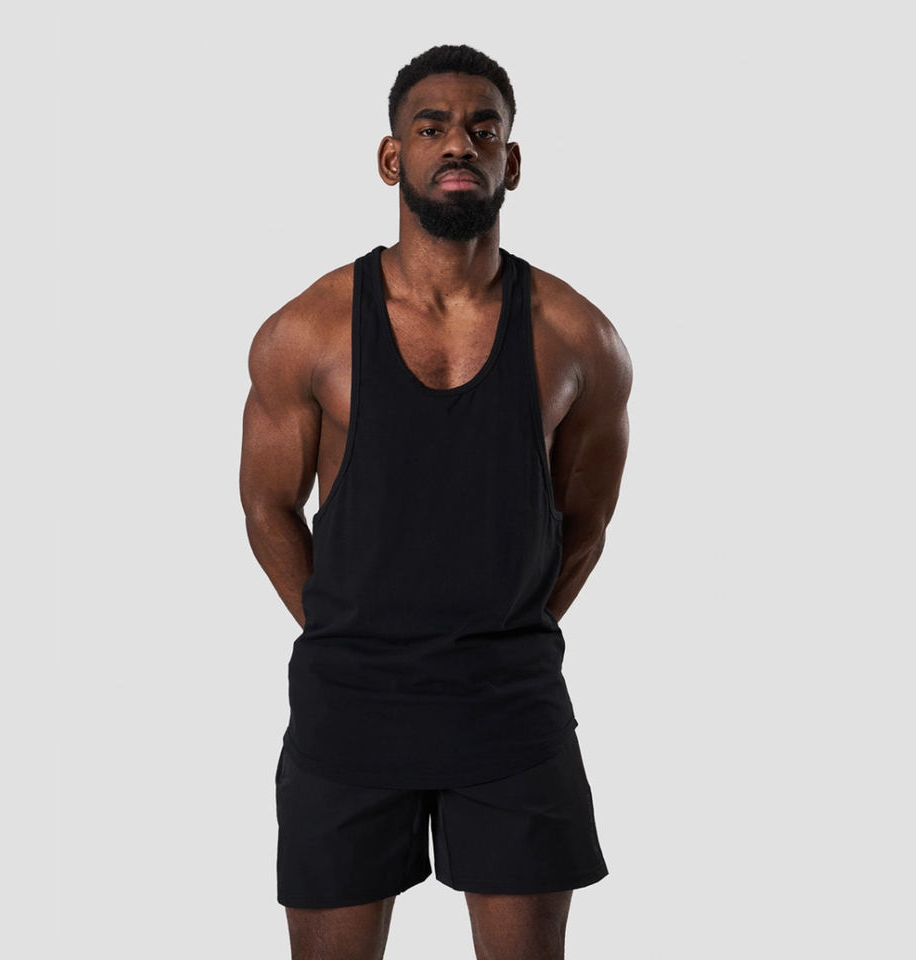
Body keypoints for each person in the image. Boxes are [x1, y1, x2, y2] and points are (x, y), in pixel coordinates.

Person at [239, 43, 632, 960]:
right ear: (392, 158)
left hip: (510, 705)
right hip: (350, 703)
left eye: (483, 130)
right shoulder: (308, 330)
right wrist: (344, 628)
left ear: (511, 162)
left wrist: (503, 629)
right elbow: (266, 508)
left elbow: (586, 523)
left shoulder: (580, 337)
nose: (460, 143)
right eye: (432, 127)